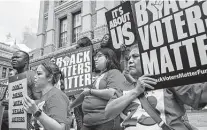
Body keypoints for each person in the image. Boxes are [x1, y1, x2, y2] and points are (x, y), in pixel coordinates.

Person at [105, 44, 205, 130]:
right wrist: (136, 91)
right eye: (128, 58)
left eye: (135, 56)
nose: (130, 61)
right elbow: (108, 113)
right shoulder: (123, 88)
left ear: (149, 59)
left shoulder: (167, 81)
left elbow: (200, 95)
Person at [70, 47, 126, 130]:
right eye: (95, 57)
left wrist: (91, 91)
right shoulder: (97, 77)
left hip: (106, 122)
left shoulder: (115, 72)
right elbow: (84, 95)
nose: (95, 59)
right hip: (88, 123)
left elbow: (113, 93)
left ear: (108, 58)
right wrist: (70, 106)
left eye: (99, 56)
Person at [23, 61, 70, 130]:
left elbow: (60, 128)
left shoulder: (56, 96)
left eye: (39, 74)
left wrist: (36, 111)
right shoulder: (44, 97)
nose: (34, 77)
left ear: (49, 77)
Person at [1, 50, 39, 130]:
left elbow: (41, 101)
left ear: (26, 61)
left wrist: (16, 103)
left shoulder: (32, 75)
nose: (13, 60)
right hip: (5, 123)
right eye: (12, 58)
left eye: (17, 57)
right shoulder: (13, 77)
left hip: (21, 124)